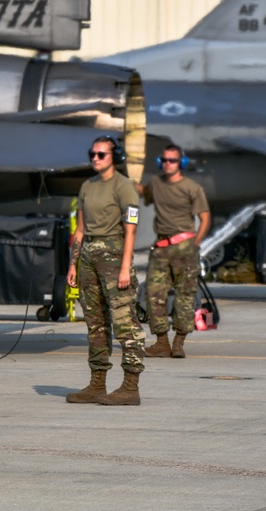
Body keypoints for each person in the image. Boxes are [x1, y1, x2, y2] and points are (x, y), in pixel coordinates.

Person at [66, 136, 145, 406]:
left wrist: (126, 267)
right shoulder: (87, 187)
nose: (95, 158)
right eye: (92, 154)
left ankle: (130, 387)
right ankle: (97, 384)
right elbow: (80, 229)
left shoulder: (124, 187)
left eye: (101, 154)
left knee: (125, 322)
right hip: (88, 257)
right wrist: (73, 264)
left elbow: (131, 228)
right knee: (95, 323)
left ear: (115, 157)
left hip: (113, 257)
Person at [136, 144, 211, 358]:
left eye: (173, 160)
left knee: (184, 297)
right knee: (153, 294)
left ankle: (179, 343)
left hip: (185, 247)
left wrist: (195, 243)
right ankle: (162, 342)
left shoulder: (192, 188)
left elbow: (205, 217)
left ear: (182, 163)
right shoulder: (156, 184)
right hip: (160, 248)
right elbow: (144, 193)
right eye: (165, 160)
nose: (168, 164)